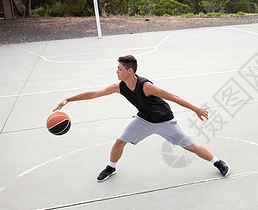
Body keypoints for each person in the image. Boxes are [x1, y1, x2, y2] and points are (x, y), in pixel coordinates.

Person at [53, 55, 229, 182]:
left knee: (190, 147)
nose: (116, 72)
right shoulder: (119, 87)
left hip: (164, 122)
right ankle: (111, 167)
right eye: (117, 68)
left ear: (130, 71)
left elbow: (173, 97)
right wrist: (68, 99)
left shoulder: (146, 86)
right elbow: (93, 94)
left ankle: (218, 162)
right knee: (119, 142)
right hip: (143, 120)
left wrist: (196, 109)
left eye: (120, 69)